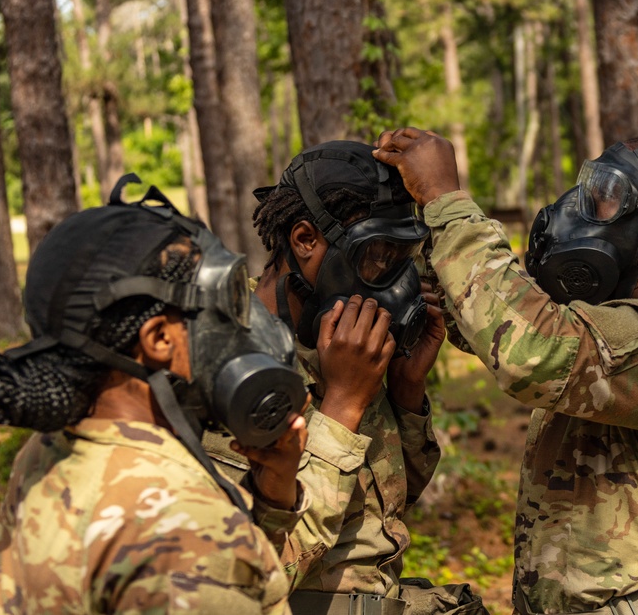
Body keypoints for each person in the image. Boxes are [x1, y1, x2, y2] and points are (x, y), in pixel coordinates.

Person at [374, 128, 638, 614]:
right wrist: (412, 217)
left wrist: (446, 201)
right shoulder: (608, 320)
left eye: (607, 198)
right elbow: (488, 315)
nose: (580, 209)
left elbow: (528, 348)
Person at [0, 181, 311, 614]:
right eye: (221, 306)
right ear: (158, 338)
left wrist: (273, 492)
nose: (241, 324)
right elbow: (190, 557)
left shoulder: (47, 455)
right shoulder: (186, 525)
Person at [202, 140, 487, 615]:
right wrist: (342, 407)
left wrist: (406, 393)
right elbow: (253, 576)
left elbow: (389, 505)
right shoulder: (229, 367)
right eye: (375, 257)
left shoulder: (338, 344)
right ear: (305, 240)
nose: (395, 282)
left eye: (403, 259)